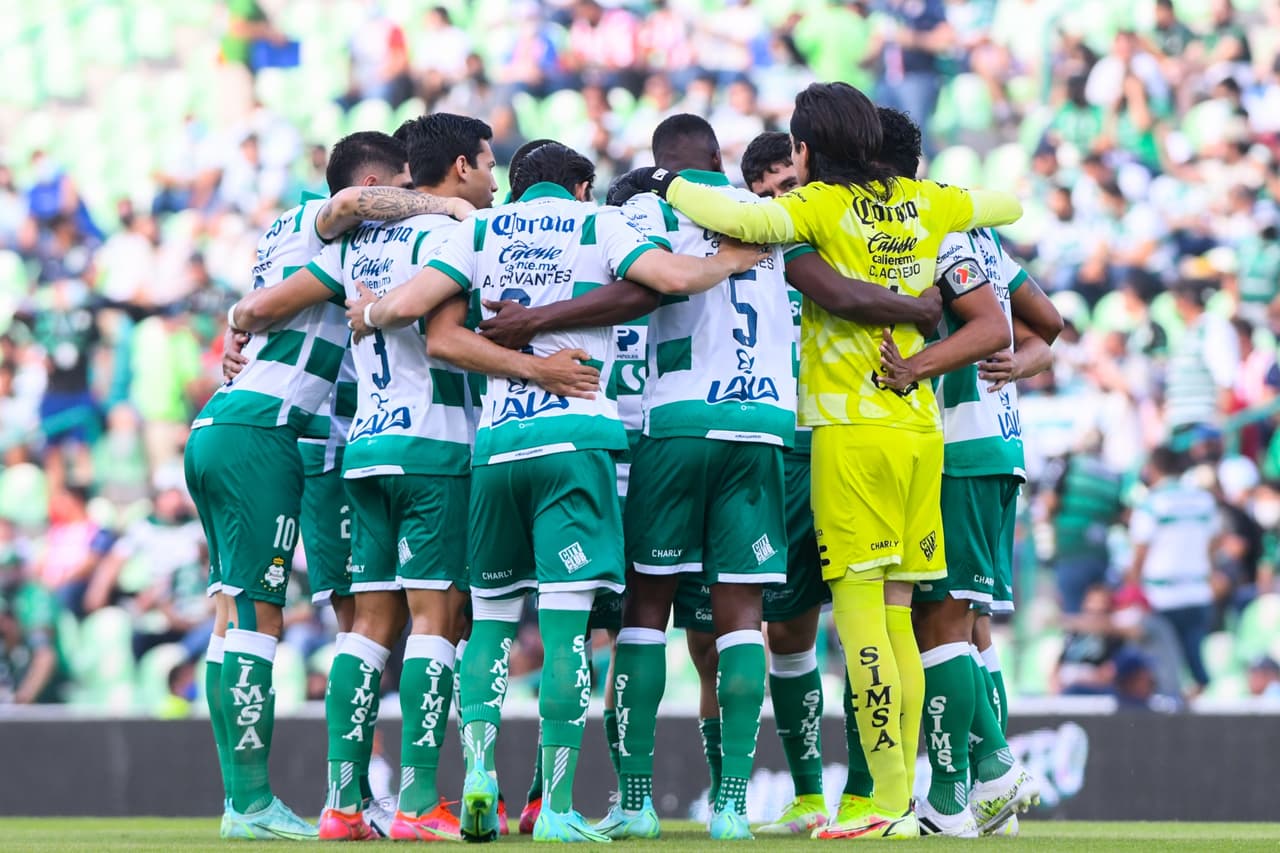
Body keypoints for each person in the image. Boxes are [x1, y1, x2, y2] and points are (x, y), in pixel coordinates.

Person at [630, 81, 1022, 840]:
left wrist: (666, 180)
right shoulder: (928, 202)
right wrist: (933, 206)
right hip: (920, 433)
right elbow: (1006, 205)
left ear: (805, 150)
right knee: (901, 623)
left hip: (849, 434)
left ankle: (878, 804)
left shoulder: (817, 206)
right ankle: (902, 799)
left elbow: (735, 215)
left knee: (862, 625)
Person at [355, 140, 763, 842]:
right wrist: (727, 261)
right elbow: (667, 277)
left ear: (516, 185)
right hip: (575, 441)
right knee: (566, 627)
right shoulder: (596, 224)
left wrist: (367, 312)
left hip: (496, 447)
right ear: (581, 186)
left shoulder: (478, 230)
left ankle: (479, 772)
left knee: (488, 621)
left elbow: (419, 317)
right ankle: (560, 806)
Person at [185, 130, 471, 841]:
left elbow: (257, 306)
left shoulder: (290, 232)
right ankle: (255, 803)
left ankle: (259, 798)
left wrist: (239, 319)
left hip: (230, 427)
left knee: (233, 616)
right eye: (399, 186)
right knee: (264, 619)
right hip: (272, 433)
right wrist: (447, 209)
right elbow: (354, 200)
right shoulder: (330, 224)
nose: (405, 202)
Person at [873, 107, 1056, 836]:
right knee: (973, 624)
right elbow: (1048, 325)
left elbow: (1006, 325)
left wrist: (918, 368)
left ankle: (959, 791)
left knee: (938, 615)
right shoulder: (973, 224)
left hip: (958, 448)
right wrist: (1025, 361)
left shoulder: (935, 228)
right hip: (998, 445)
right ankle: (992, 795)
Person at [1126, 445, 1220, 697]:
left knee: (1167, 673)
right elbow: (1213, 543)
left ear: (1154, 469)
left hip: (1161, 596)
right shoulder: (1203, 500)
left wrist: (1132, 586)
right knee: (1196, 667)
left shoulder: (1152, 503)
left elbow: (1139, 553)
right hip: (1198, 592)